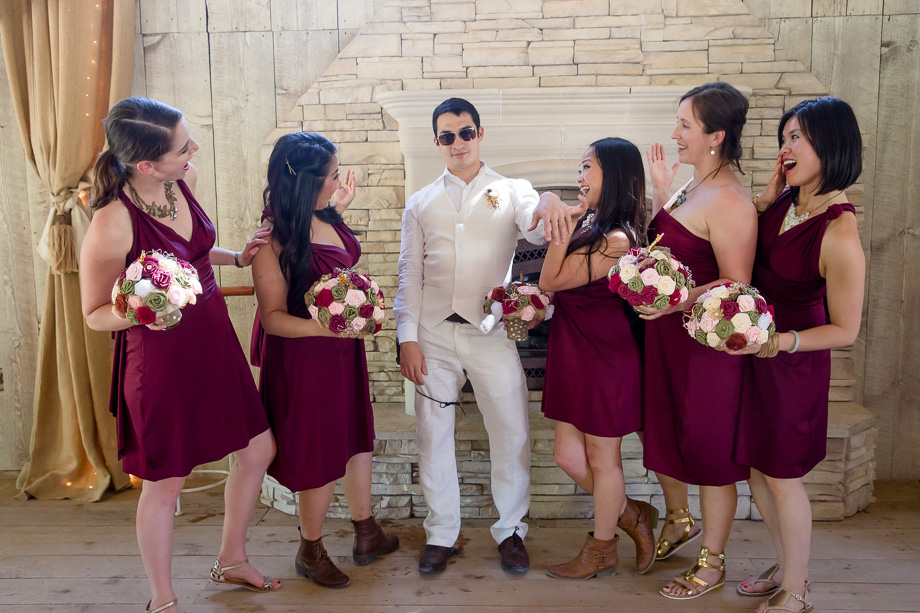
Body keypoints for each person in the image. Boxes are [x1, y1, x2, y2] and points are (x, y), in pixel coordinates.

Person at [80, 97, 279, 613]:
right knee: (167, 482)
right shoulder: (111, 222)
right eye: (182, 147)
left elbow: (187, 250)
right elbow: (95, 312)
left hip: (214, 343)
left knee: (257, 449)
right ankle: (162, 601)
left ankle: (231, 558)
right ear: (146, 165)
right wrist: (144, 309)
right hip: (161, 361)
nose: (194, 149)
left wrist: (235, 255)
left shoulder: (176, 183)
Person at [394, 97, 571, 576]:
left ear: (479, 134)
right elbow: (409, 273)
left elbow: (537, 231)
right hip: (432, 335)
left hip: (491, 331)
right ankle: (441, 534)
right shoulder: (420, 201)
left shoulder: (511, 189)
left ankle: (511, 531)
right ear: (436, 142)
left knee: (511, 431)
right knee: (433, 435)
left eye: (465, 133)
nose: (458, 143)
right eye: (447, 136)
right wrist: (405, 335)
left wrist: (552, 200)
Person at [730, 97, 864, 613]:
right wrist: (766, 199)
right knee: (758, 469)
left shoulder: (839, 230)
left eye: (796, 139)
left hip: (793, 361)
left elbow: (846, 329)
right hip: (758, 353)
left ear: (829, 147)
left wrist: (782, 343)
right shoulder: (790, 198)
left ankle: (798, 588)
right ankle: (788, 565)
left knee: (783, 476)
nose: (784, 148)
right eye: (784, 137)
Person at [251, 132, 398, 589]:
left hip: (341, 355)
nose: (340, 181)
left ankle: (365, 531)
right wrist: (328, 327)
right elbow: (273, 319)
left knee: (356, 439)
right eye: (333, 176)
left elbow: (329, 253)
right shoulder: (270, 243)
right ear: (307, 184)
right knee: (320, 451)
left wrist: (337, 204)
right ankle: (310, 549)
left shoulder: (324, 213)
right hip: (305, 361)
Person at [640, 82, 757, 600]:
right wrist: (663, 190)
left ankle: (712, 564)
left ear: (716, 135)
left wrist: (674, 301)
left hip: (704, 350)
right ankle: (680, 520)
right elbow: (679, 244)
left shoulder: (731, 199)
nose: (675, 133)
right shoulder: (694, 183)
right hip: (667, 341)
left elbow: (736, 285)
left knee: (710, 453)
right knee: (668, 438)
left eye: (685, 125)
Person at [539, 138, 658, 580]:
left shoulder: (617, 238)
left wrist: (560, 224)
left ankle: (602, 547)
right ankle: (631, 514)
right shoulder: (591, 221)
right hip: (575, 352)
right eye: (579, 167)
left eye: (587, 167)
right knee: (568, 457)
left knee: (603, 460)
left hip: (606, 358)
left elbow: (552, 278)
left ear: (614, 174)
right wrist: (560, 209)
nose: (579, 176)